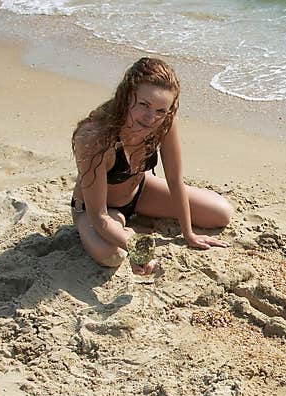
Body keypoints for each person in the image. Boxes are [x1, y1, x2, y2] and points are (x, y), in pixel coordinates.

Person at [70, 57, 232, 274]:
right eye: (144, 105)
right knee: (112, 255)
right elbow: (99, 217)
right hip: (100, 210)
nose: (150, 118)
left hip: (140, 192)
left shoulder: (164, 121)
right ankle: (125, 231)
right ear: (126, 97)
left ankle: (130, 228)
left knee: (220, 213)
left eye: (160, 110)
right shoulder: (94, 138)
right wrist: (139, 250)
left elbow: (174, 180)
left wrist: (189, 234)